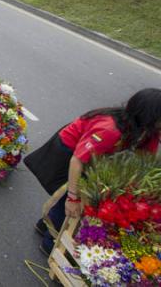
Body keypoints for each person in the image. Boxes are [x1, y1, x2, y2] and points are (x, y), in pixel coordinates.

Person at [25, 88, 161, 255]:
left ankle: (44, 224)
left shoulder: (149, 133)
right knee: (70, 198)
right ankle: (49, 243)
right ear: (149, 115)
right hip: (69, 152)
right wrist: (72, 198)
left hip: (95, 157)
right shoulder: (110, 130)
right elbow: (77, 161)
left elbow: (145, 162)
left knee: (76, 195)